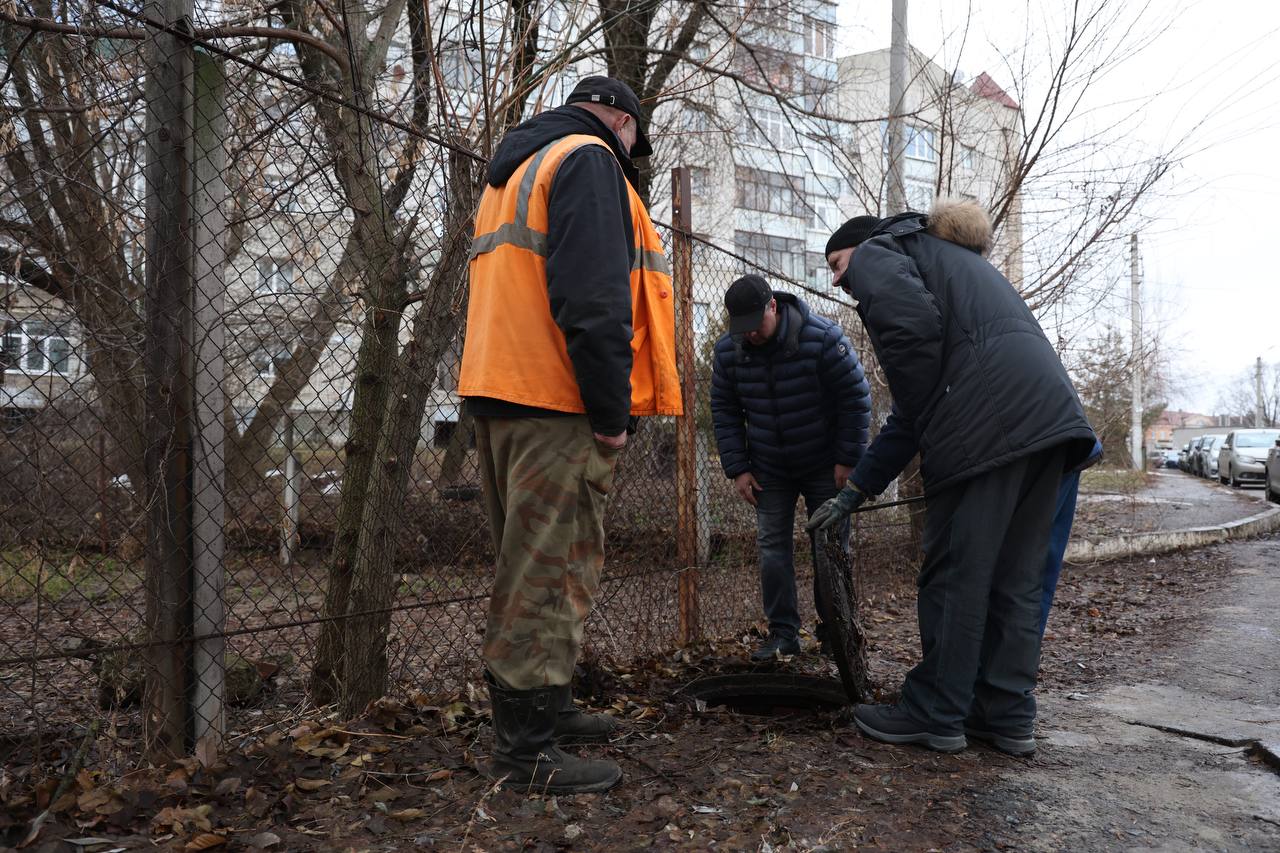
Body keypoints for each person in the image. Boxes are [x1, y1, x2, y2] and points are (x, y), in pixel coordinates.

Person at [458, 76, 681, 793]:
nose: (629, 154)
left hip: (501, 391)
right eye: (633, 141)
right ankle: (526, 752)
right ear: (620, 118)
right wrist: (611, 413)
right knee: (548, 572)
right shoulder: (586, 159)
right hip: (556, 400)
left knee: (535, 565)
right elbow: (595, 298)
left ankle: (546, 712)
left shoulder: (516, 168)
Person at [809, 199, 1097, 756]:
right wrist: (856, 489)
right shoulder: (949, 265)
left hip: (986, 426)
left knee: (955, 575)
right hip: (1049, 422)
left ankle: (936, 712)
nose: (840, 280)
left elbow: (915, 364)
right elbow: (915, 411)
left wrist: (934, 418)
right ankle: (1005, 716)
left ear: (861, 245)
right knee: (1015, 578)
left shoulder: (879, 252)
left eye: (837, 263)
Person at [710, 274, 872, 660]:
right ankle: (783, 634)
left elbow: (856, 398)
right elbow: (725, 411)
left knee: (830, 548)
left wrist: (848, 460)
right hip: (769, 467)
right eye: (742, 328)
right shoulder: (729, 351)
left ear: (773, 307)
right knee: (771, 549)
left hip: (824, 464)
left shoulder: (823, 339)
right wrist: (738, 468)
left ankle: (836, 633)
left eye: (756, 325)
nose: (749, 335)